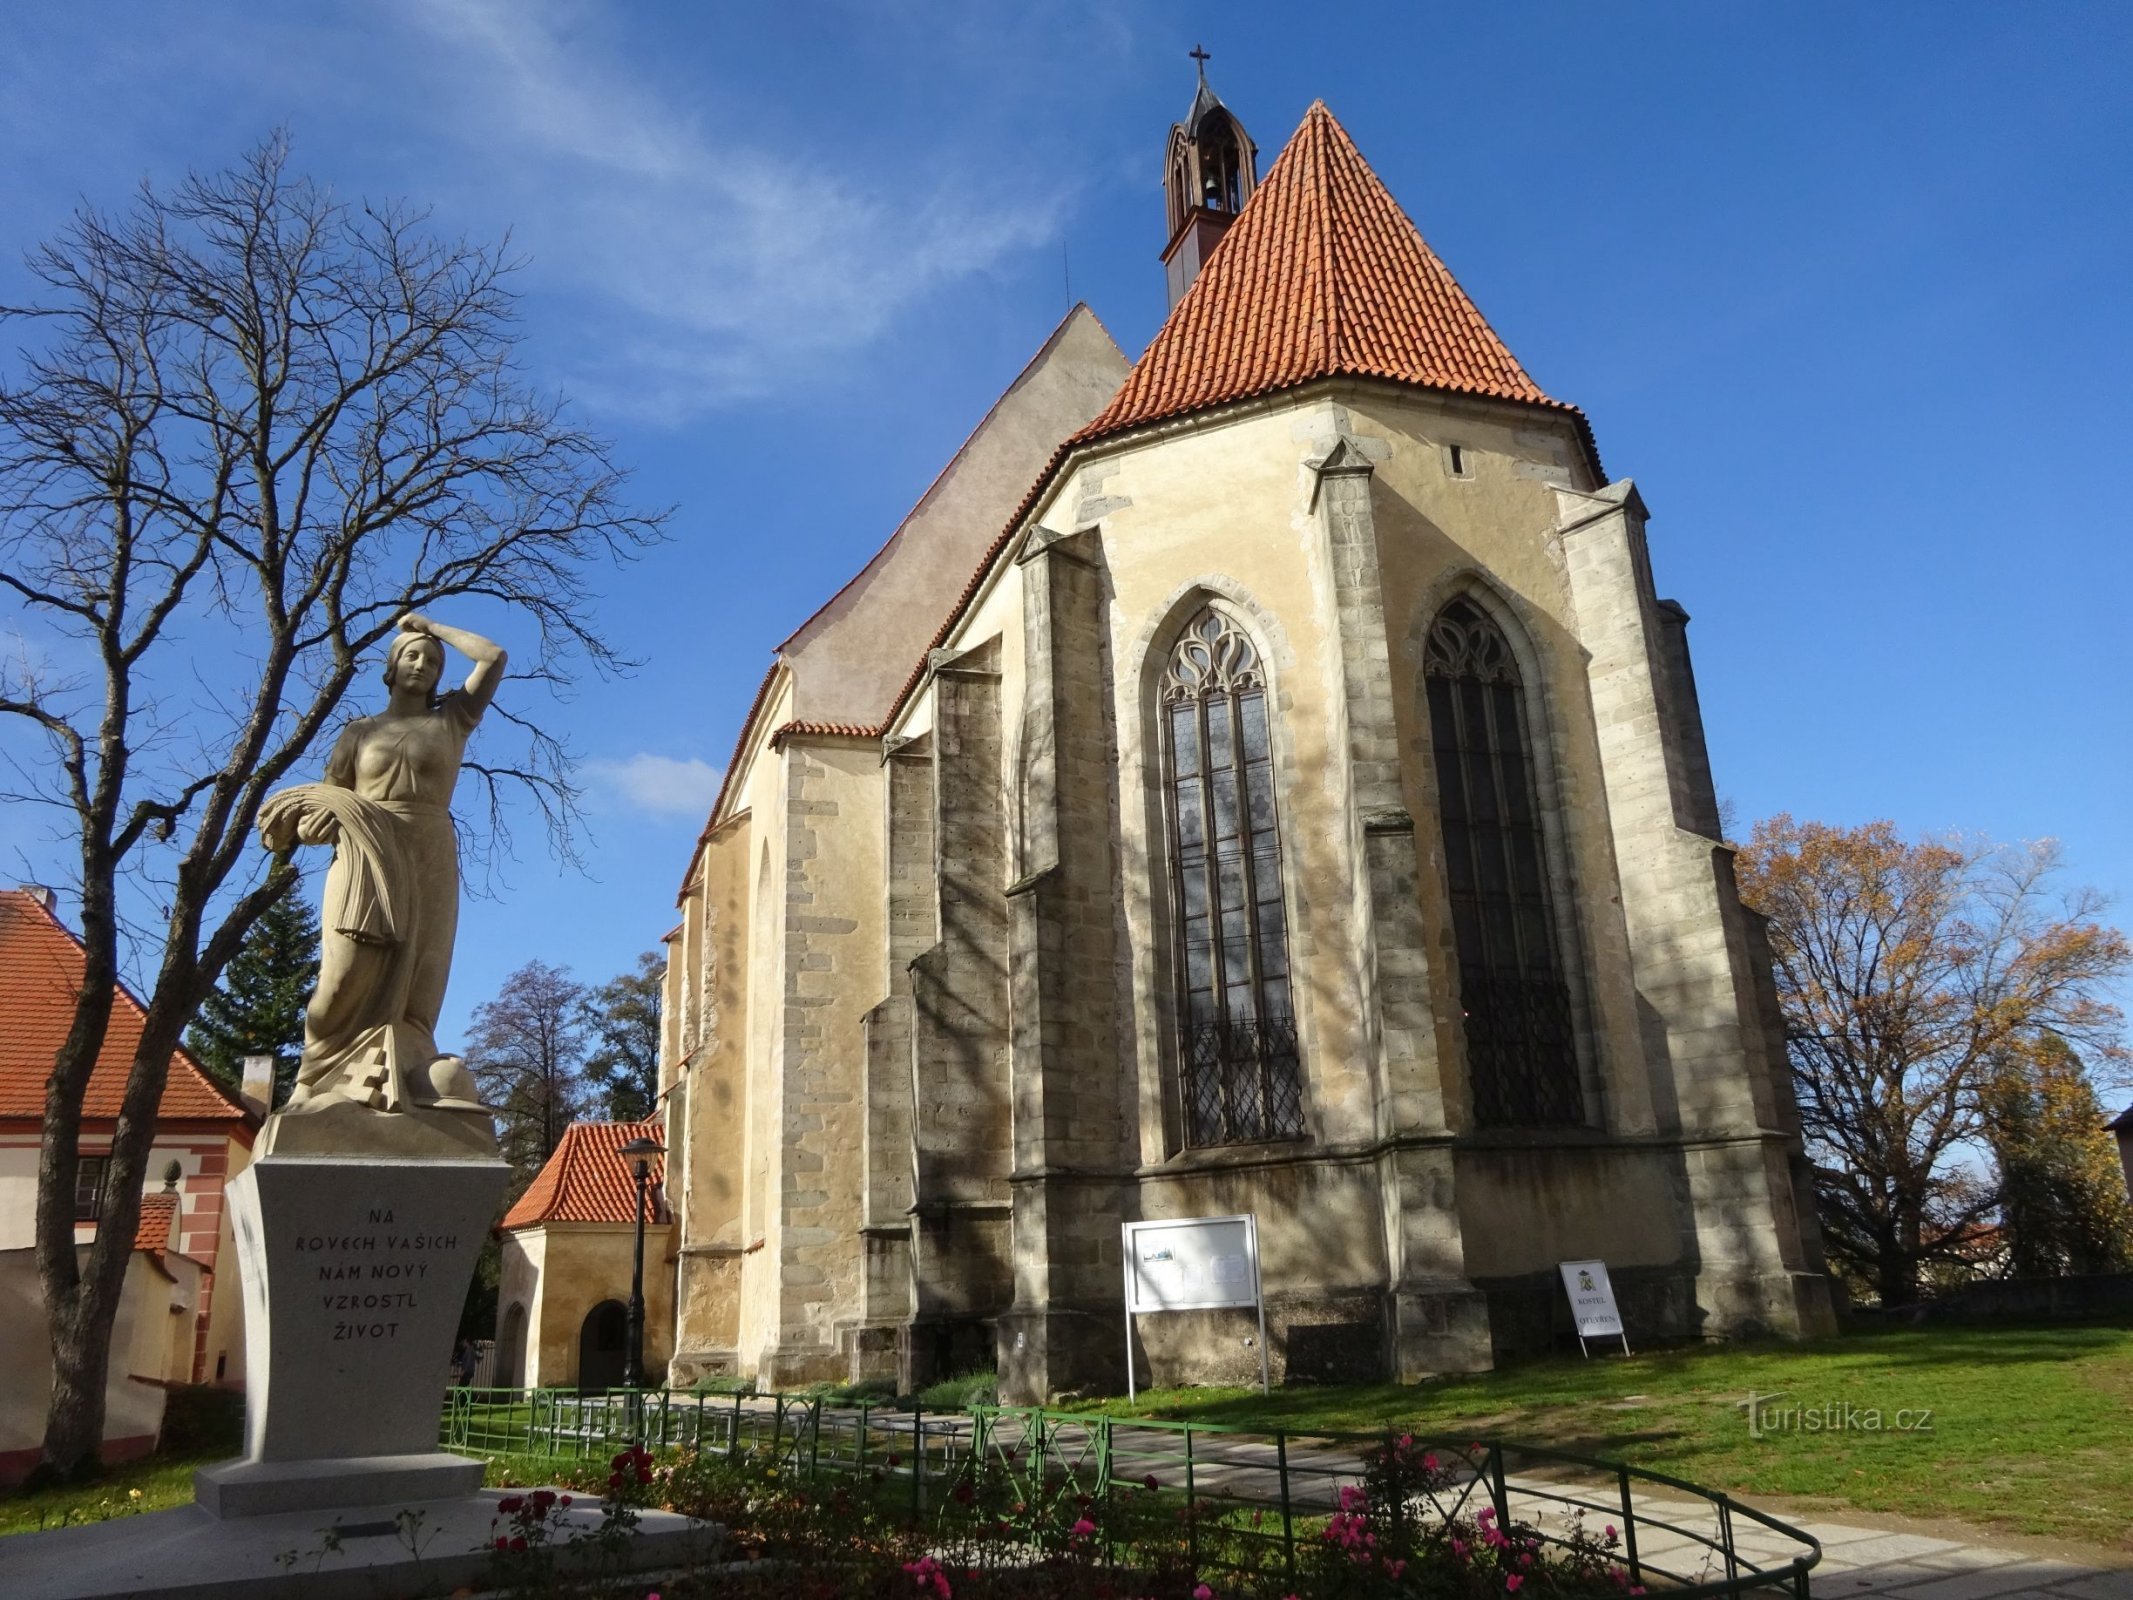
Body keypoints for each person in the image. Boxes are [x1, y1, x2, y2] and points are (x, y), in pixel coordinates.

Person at [259, 613, 505, 1114]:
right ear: (390, 669)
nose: (422, 664)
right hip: (364, 848)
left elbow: (492, 656)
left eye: (432, 661)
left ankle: (409, 1066)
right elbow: (325, 802)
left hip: (429, 849)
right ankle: (315, 1077)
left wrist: (433, 627)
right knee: (343, 975)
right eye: (411, 656)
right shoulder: (358, 731)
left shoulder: (452, 720)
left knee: (421, 975)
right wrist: (311, 825)